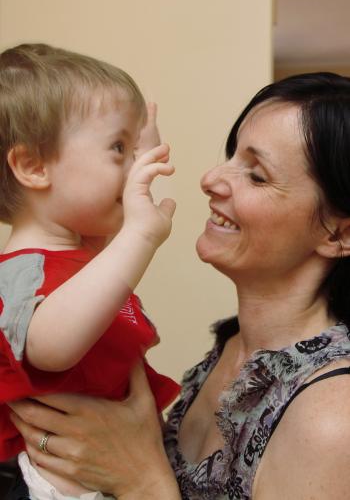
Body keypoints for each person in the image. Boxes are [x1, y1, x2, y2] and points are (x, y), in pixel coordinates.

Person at [8, 72, 350, 500]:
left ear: (339, 235)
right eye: (231, 156)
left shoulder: (333, 419)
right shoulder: (228, 354)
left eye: (257, 176)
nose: (210, 179)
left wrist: (144, 482)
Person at [0, 43, 180, 500]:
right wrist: (141, 235)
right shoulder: (23, 271)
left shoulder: (85, 253)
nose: (133, 164)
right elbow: (50, 347)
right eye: (118, 148)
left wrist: (141, 150)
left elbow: (118, 214)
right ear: (33, 166)